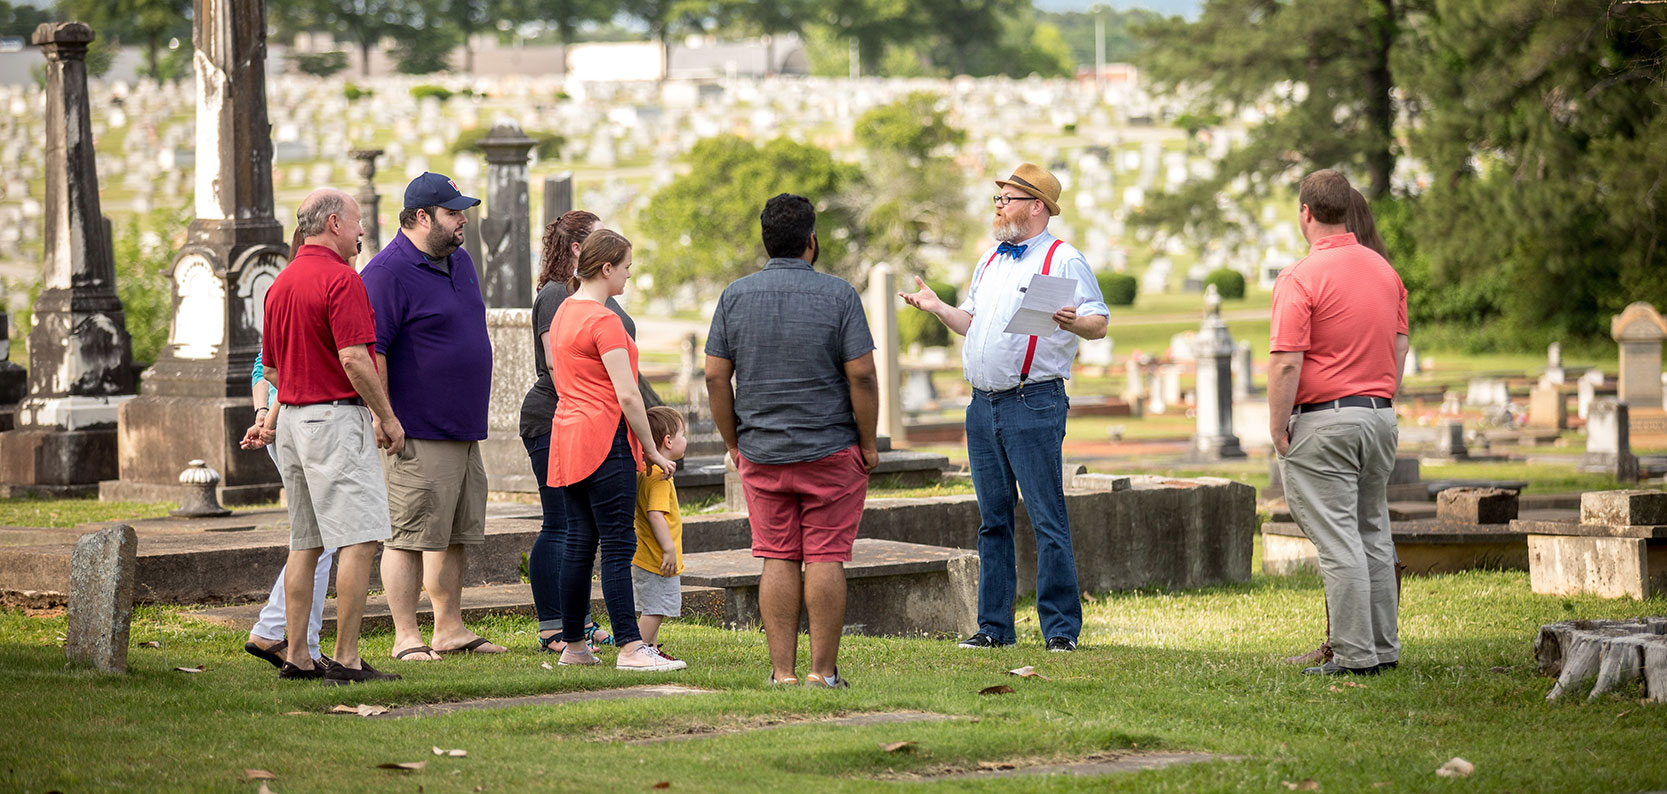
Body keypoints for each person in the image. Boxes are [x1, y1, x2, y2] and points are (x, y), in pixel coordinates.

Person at [899, 163, 1108, 653]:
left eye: (1007, 199)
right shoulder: (991, 259)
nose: (998, 207)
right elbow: (970, 322)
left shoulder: (1064, 259)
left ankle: (1060, 631)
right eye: (998, 200)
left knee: (1045, 515)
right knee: (993, 518)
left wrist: (1074, 322)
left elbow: (1098, 323)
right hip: (983, 404)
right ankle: (994, 627)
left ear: (1037, 207)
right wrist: (938, 309)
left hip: (1033, 401)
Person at [706, 193, 879, 688]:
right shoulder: (840, 295)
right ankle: (822, 674)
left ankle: (782, 673)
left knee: (777, 556)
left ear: (766, 242)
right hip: (831, 449)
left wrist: (734, 442)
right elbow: (863, 376)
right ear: (811, 241)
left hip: (761, 450)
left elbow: (717, 377)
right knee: (825, 555)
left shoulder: (734, 296)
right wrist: (868, 444)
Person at [243, 187, 403, 684]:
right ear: (334, 223)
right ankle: (348, 657)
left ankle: (297, 655)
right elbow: (355, 358)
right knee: (358, 538)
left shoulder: (281, 283)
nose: (361, 233)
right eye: (356, 224)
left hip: (288, 418)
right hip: (333, 419)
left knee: (306, 542)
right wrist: (387, 416)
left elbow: (268, 367)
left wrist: (293, 395)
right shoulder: (341, 279)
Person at [1267, 169, 1409, 676]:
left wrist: (1278, 426)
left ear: (1305, 212)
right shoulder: (1383, 271)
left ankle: (1353, 655)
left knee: (1338, 541)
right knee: (1373, 531)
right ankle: (1383, 647)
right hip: (1378, 415)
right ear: (1348, 208)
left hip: (1325, 420)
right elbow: (1400, 345)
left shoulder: (1300, 277)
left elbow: (1287, 360)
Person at [358, 172, 502, 662]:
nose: (463, 220)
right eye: (453, 212)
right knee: (408, 536)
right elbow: (371, 350)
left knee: (456, 532)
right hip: (415, 429)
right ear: (422, 217)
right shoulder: (386, 272)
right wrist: (385, 417)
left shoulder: (459, 260)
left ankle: (450, 629)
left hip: (463, 426)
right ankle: (406, 636)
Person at [546, 230, 684, 672]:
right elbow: (628, 395)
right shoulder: (606, 322)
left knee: (579, 544)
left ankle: (573, 646)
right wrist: (654, 451)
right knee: (619, 544)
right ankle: (630, 645)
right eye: (625, 267)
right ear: (606, 268)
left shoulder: (565, 310)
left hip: (567, 438)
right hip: (605, 440)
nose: (628, 274)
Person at [520, 210, 624, 653]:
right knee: (561, 523)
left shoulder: (588, 294)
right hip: (556, 416)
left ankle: (576, 623)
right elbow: (560, 367)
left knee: (581, 529)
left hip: (587, 417)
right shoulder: (555, 296)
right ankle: (553, 625)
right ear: (581, 248)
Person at [240, 350, 335, 671]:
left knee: (317, 537)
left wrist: (263, 413)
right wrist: (269, 418)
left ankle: (300, 643)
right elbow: (284, 369)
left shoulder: (278, 298)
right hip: (305, 420)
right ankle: (282, 635)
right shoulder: (322, 297)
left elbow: (263, 365)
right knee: (320, 539)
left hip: (283, 420)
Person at [632, 405, 689, 657]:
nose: (685, 440)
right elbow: (656, 515)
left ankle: (651, 649)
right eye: (682, 435)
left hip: (644, 554)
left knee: (651, 605)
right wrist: (668, 550)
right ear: (668, 441)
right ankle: (639, 651)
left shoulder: (646, 471)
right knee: (655, 608)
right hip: (657, 557)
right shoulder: (660, 477)